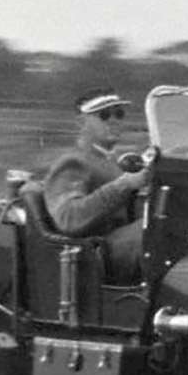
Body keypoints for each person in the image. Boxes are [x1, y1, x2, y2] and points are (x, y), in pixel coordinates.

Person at [41, 87, 149, 279]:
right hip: (93, 259)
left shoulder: (116, 164)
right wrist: (125, 184)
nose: (114, 120)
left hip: (116, 254)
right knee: (154, 229)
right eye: (104, 115)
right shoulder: (73, 162)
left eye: (119, 114)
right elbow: (69, 218)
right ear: (82, 123)